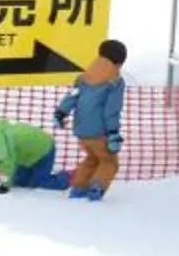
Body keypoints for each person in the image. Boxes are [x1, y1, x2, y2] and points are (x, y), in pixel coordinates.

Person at [52, 39, 127, 202]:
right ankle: (97, 187)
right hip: (100, 132)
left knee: (92, 159)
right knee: (109, 162)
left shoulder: (83, 77)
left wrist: (60, 113)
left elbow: (72, 96)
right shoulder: (115, 81)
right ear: (119, 62)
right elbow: (112, 110)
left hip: (81, 131)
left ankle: (78, 188)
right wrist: (113, 133)